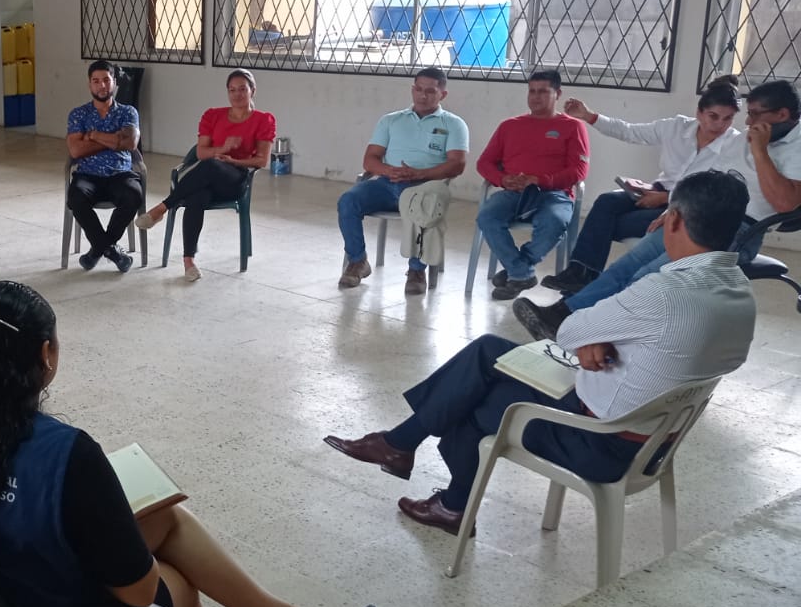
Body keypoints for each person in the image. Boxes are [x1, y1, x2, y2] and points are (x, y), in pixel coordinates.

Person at [0, 281, 376, 607]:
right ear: (46, 355)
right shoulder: (67, 455)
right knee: (180, 588)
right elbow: (138, 594)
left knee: (166, 519)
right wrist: (116, 536)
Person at [324, 171, 756, 536]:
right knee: (488, 352)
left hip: (598, 442)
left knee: (470, 403)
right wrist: (613, 341)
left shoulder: (662, 292)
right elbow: (680, 349)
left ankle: (436, 486)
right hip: (654, 439)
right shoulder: (739, 292)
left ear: (672, 219)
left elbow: (568, 329)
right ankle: (404, 450)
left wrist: (596, 339)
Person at [514, 80, 801, 340]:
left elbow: (786, 203)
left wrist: (761, 151)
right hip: (695, 212)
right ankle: (564, 313)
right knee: (628, 264)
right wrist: (676, 207)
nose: (748, 121)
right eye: (748, 114)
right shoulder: (733, 135)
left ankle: (592, 329)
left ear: (782, 115)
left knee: (649, 276)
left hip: (737, 229)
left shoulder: (789, 146)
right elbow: (706, 174)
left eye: (755, 114)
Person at [540, 76, 743, 295]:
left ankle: (589, 283)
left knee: (610, 224)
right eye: (713, 116)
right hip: (656, 190)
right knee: (607, 202)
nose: (720, 125)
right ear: (699, 113)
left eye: (728, 119)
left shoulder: (734, 144)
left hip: (689, 209)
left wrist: (666, 199)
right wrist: (589, 116)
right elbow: (630, 131)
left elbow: (715, 192)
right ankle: (579, 273)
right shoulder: (677, 127)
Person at [330, 67, 469, 295]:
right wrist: (390, 171)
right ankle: (358, 260)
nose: (423, 96)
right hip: (387, 184)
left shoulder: (454, 124)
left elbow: (457, 165)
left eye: (430, 91)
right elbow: (370, 159)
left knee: (425, 205)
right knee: (348, 201)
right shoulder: (391, 120)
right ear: (412, 90)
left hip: (425, 186)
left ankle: (416, 270)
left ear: (442, 94)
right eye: (418, 89)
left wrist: (419, 174)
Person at [133, 69, 276, 283]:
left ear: (252, 91)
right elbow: (201, 152)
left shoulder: (263, 120)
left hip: (235, 179)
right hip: (207, 176)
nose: (237, 94)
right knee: (196, 196)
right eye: (232, 90)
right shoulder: (213, 115)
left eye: (242, 89)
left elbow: (262, 160)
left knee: (211, 165)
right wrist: (223, 149)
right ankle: (188, 261)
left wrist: (233, 160)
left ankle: (162, 208)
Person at [474, 70, 591, 300]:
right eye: (532, 91)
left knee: (554, 222)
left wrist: (541, 180)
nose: (535, 97)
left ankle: (516, 269)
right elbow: (484, 163)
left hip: (553, 194)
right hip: (514, 192)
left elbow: (579, 171)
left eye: (543, 92)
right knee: (487, 217)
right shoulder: (509, 126)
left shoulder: (573, 127)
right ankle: (521, 273)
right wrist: (503, 179)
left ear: (557, 94)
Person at [67, 60, 142, 273]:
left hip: (120, 174)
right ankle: (111, 251)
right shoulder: (78, 114)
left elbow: (130, 143)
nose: (102, 85)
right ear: (89, 84)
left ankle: (96, 251)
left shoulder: (128, 112)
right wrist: (114, 140)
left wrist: (93, 135)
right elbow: (76, 151)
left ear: (115, 82)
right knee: (75, 198)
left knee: (133, 195)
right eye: (96, 81)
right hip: (87, 175)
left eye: (106, 80)